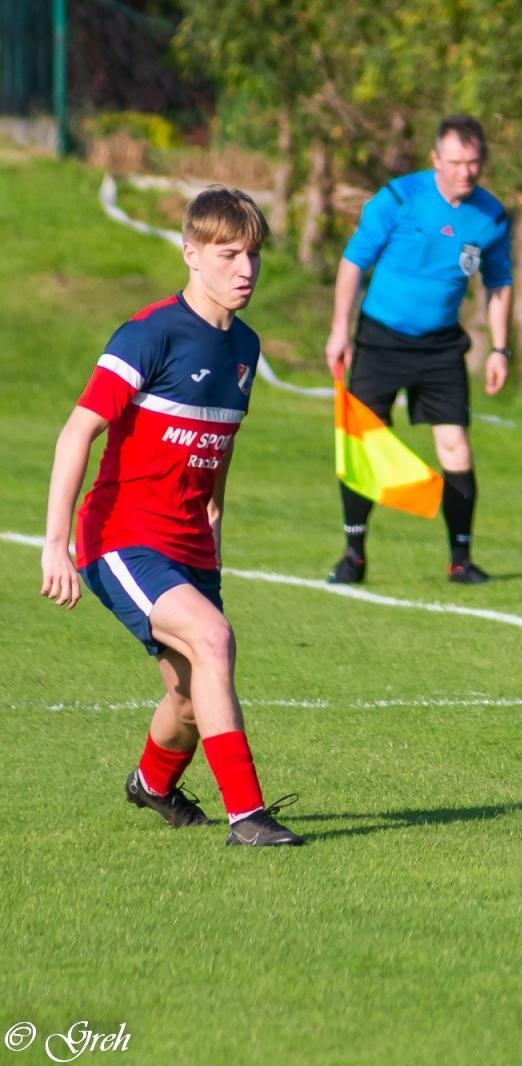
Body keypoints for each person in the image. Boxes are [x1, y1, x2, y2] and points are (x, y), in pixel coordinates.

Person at [39, 187, 302, 847]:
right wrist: (54, 544)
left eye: (253, 255)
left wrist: (214, 520)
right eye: (228, 254)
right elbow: (77, 432)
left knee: (187, 696)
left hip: (190, 543)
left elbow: (219, 444)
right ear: (190, 253)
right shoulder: (149, 333)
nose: (245, 269)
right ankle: (248, 817)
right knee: (213, 640)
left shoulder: (245, 346)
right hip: (120, 538)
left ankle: (152, 784)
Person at [324, 114, 512, 585]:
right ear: (435, 159)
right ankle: (353, 555)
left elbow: (499, 283)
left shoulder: (491, 216)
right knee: (365, 446)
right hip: (380, 340)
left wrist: (500, 349)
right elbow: (353, 263)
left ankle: (460, 560)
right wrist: (339, 330)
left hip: (441, 348)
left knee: (456, 447)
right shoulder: (398, 198)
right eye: (456, 162)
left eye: (473, 162)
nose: (466, 172)